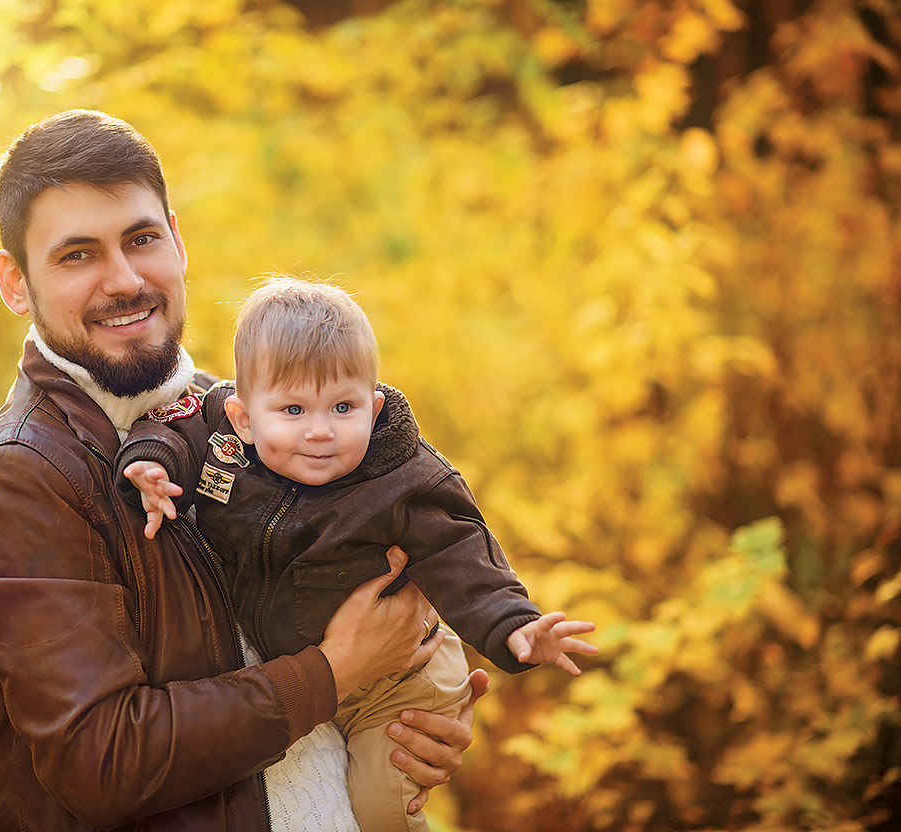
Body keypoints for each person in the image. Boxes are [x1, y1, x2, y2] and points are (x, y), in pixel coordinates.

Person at [0, 109, 489, 832]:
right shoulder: (23, 477)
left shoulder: (253, 424)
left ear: (177, 239)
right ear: (15, 283)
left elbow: (354, 622)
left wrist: (407, 720)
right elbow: (101, 762)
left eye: (140, 238)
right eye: (76, 255)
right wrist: (336, 672)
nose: (123, 280)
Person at [116, 276, 599, 832]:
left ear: (373, 407)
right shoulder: (222, 434)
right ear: (244, 419)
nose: (320, 432)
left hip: (396, 678)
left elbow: (462, 552)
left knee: (380, 806)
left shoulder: (402, 479)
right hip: (314, 673)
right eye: (293, 410)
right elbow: (173, 428)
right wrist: (151, 465)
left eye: (342, 407)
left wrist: (515, 625)